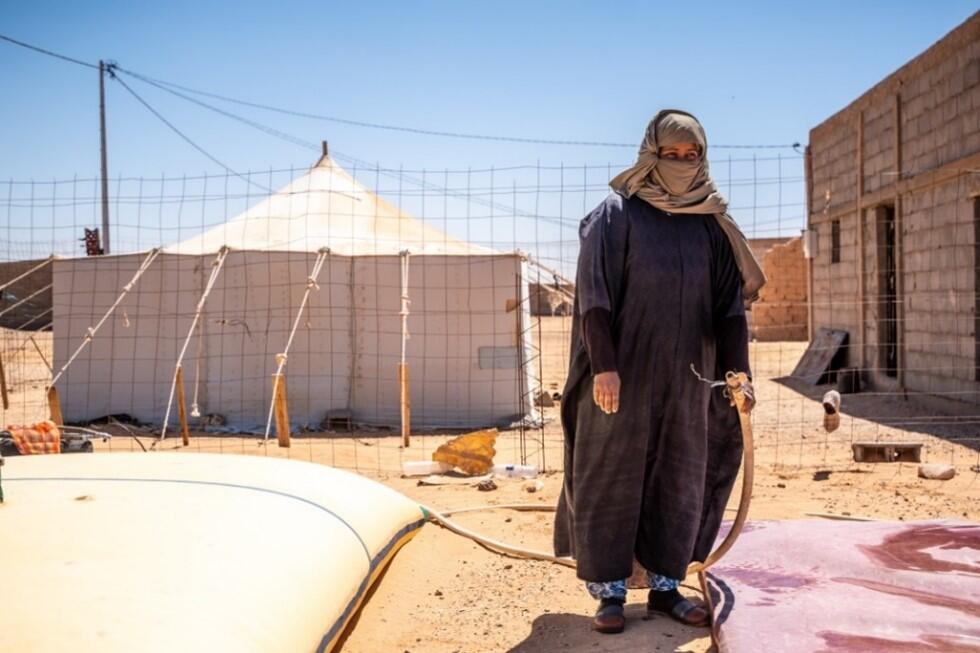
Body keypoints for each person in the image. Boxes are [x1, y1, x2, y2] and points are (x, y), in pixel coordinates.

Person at [553, 109, 764, 634]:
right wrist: (604, 367)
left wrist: (738, 376)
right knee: (611, 475)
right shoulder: (615, 214)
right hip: (622, 377)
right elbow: (595, 300)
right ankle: (609, 594)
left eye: (692, 155)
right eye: (671, 154)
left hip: (690, 379)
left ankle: (667, 588)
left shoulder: (710, 226)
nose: (682, 163)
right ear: (651, 155)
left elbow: (729, 309)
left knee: (680, 474)